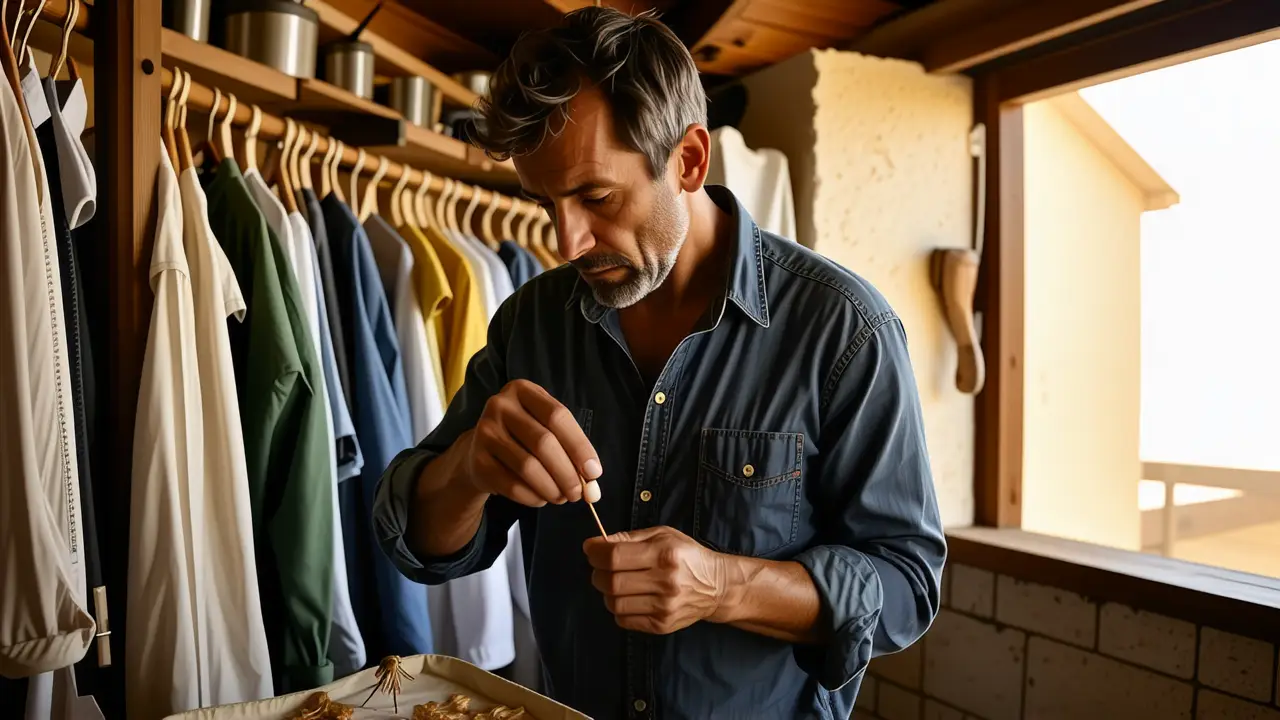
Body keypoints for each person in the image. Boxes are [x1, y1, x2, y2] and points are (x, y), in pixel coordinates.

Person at [374, 7, 945, 719]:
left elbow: (908, 586)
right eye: (545, 202)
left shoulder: (843, 330)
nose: (566, 241)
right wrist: (467, 469)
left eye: (596, 196)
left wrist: (724, 586)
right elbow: (417, 545)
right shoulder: (531, 323)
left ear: (690, 161)